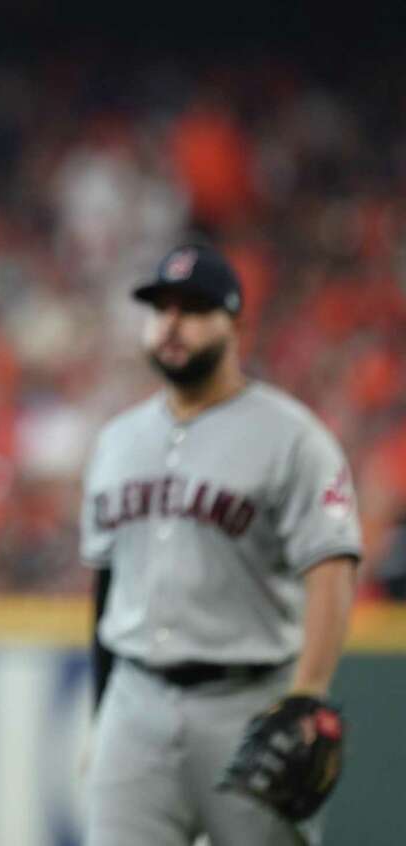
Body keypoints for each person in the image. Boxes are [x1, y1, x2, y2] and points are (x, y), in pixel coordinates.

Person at [80, 244, 362, 845]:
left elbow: (332, 567)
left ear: (236, 323)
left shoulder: (292, 438)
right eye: (161, 308)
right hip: (135, 702)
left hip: (250, 701)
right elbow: (107, 583)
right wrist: (101, 714)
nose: (172, 323)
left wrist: (306, 696)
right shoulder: (117, 440)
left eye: (194, 308)